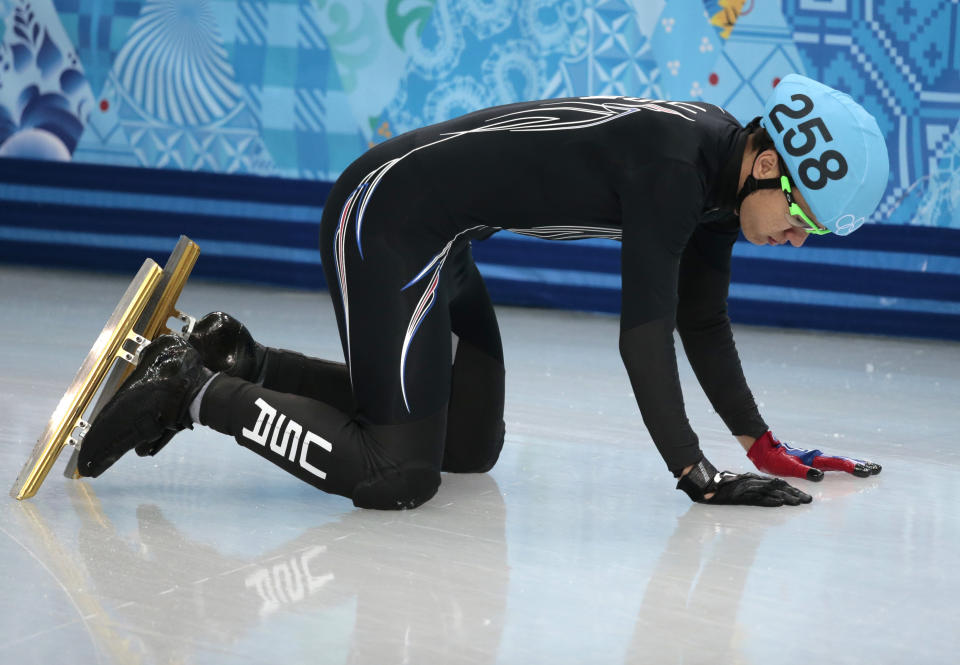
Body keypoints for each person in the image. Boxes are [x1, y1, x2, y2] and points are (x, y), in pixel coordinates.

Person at [78, 74, 887, 509]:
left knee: (469, 445)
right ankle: (191, 388)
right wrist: (694, 474)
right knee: (399, 474)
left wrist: (757, 441)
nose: (796, 239)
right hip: (387, 218)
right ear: (773, 164)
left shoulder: (718, 174)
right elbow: (643, 335)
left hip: (444, 238)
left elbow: (700, 319)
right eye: (803, 219)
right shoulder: (677, 169)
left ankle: (239, 354)